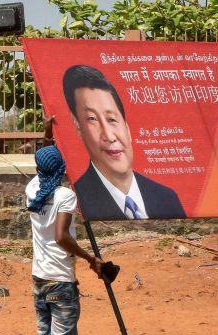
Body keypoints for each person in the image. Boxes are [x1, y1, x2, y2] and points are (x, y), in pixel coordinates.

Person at [8, 137, 105, 335]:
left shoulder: (32, 189)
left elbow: (45, 158)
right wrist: (90, 259)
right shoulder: (65, 195)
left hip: (39, 278)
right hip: (61, 280)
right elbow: (61, 236)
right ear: (61, 167)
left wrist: (49, 133)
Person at [62, 64, 185, 220]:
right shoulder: (77, 200)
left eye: (112, 119)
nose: (109, 136)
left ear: (127, 128)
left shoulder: (167, 198)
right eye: (92, 119)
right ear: (77, 125)